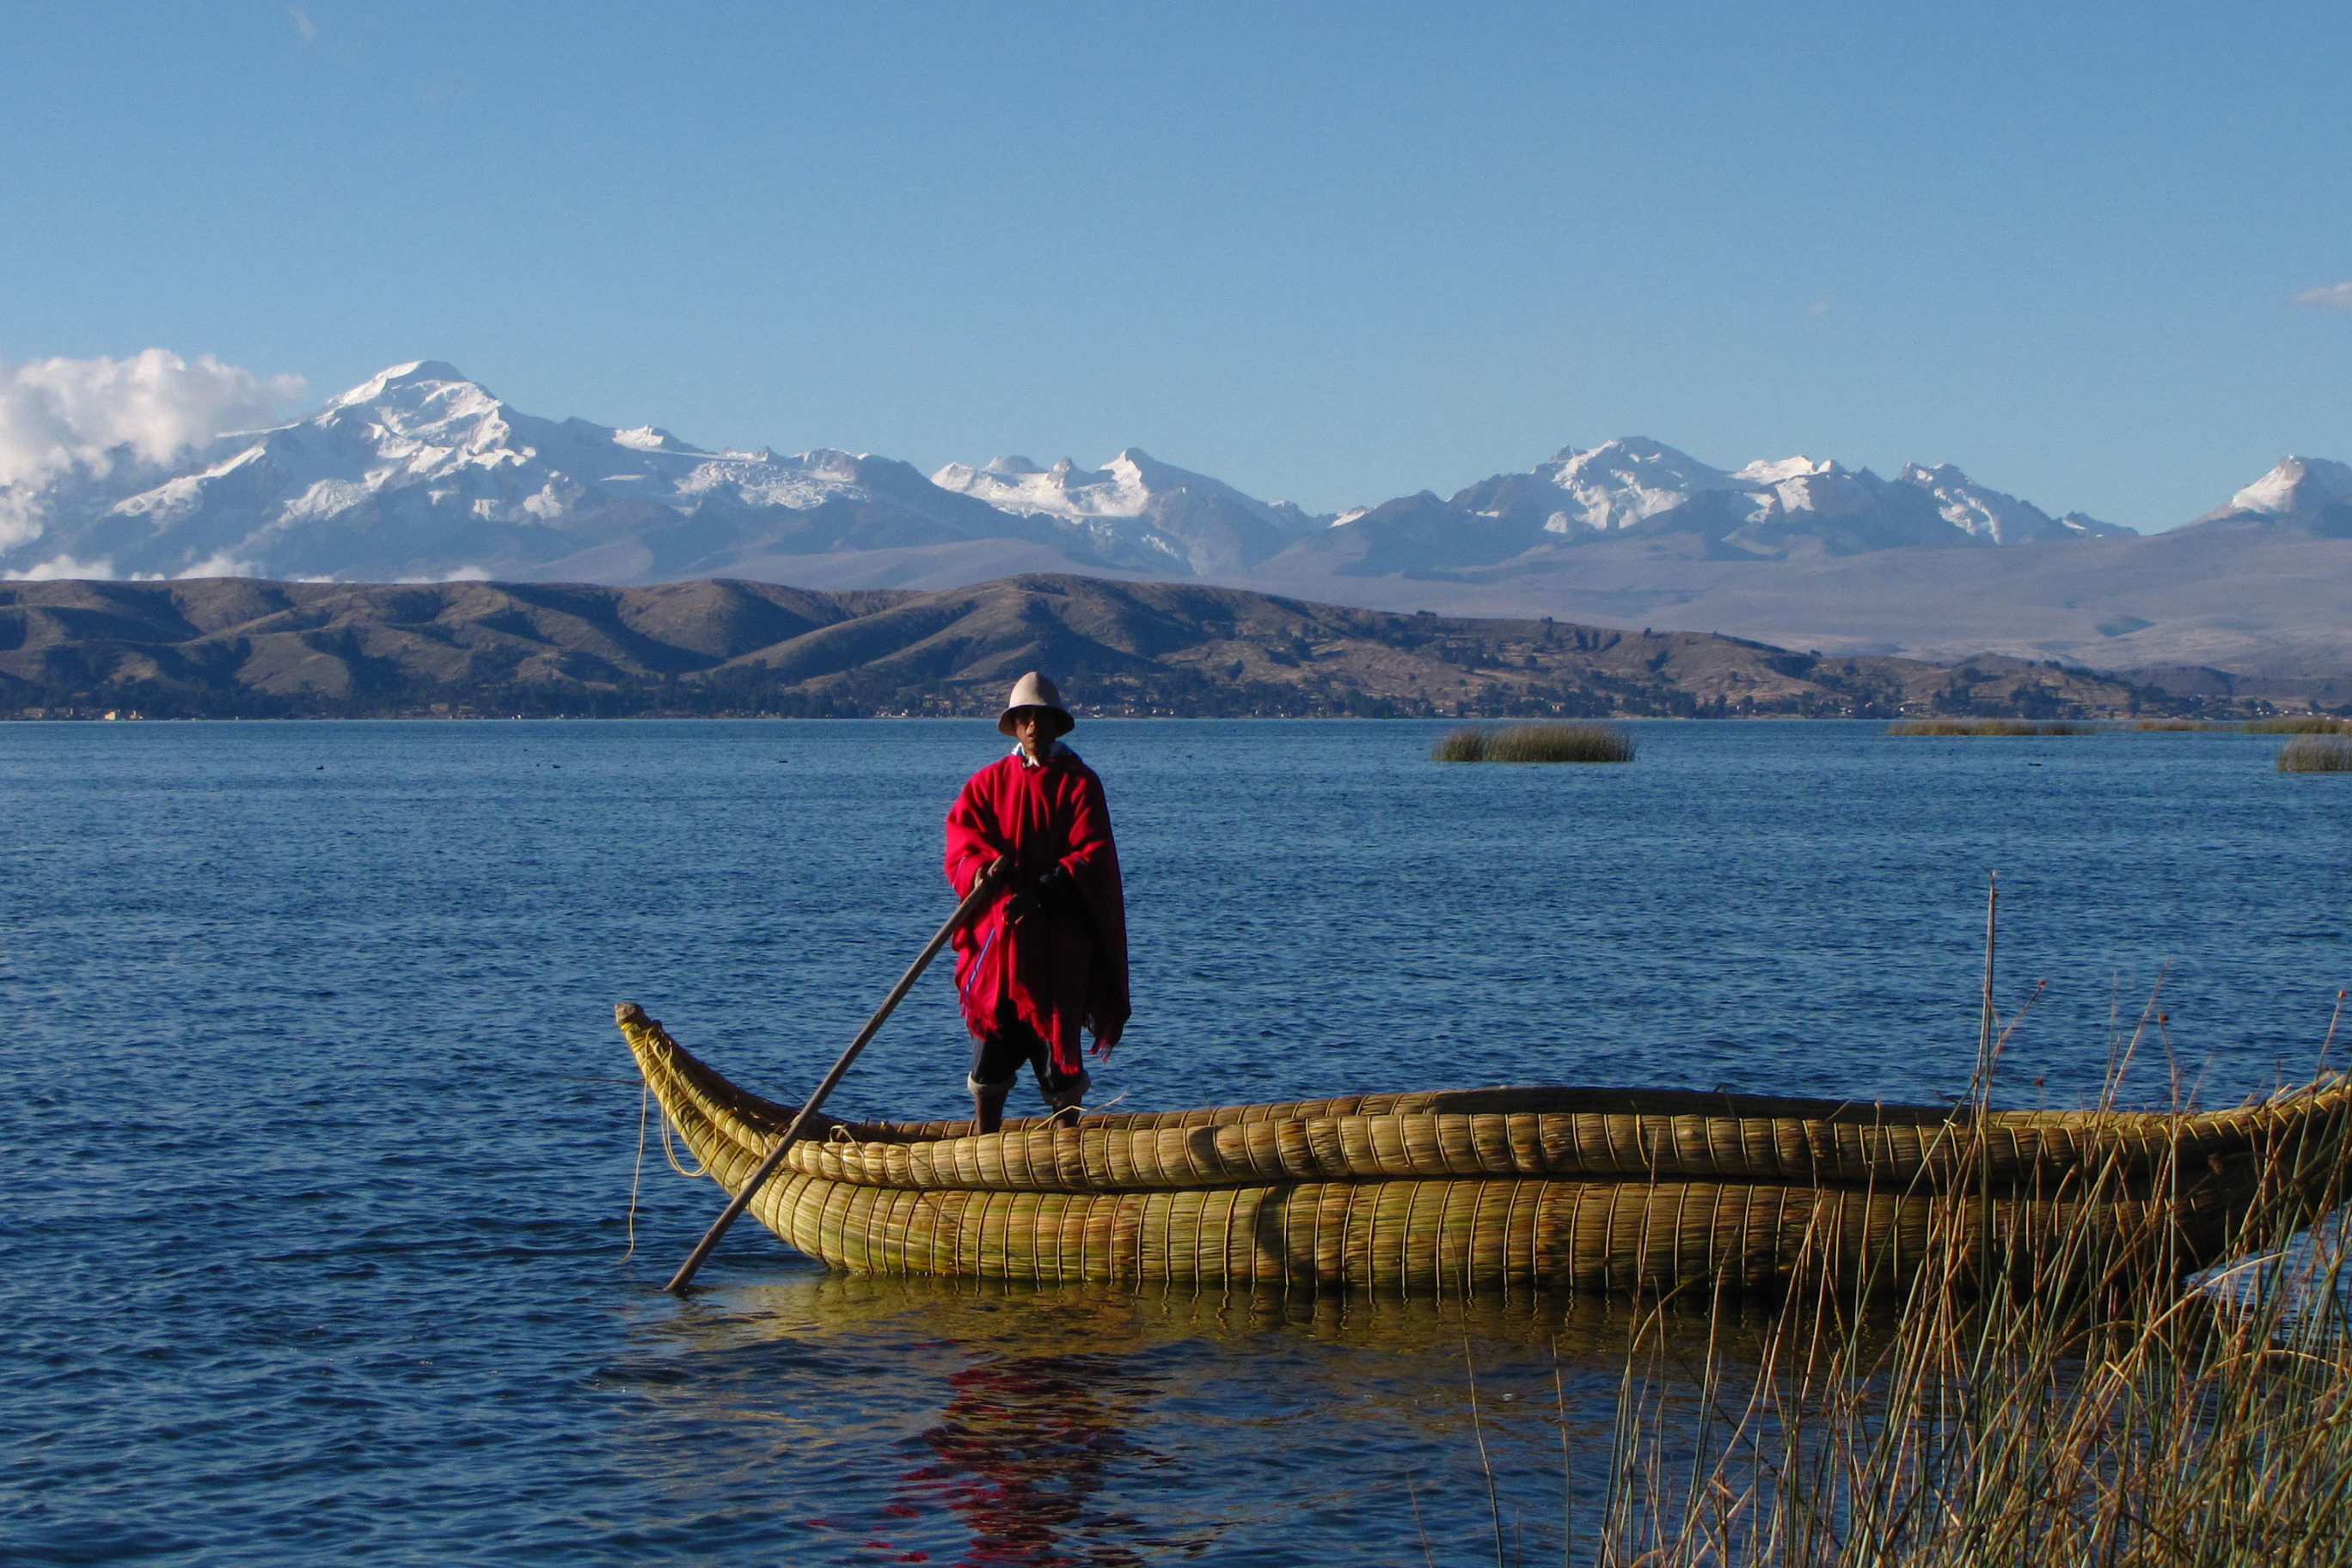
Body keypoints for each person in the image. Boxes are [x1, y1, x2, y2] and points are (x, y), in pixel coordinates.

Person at [945, 671, 1130, 1134]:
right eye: (1024, 718)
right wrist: (982, 870)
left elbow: (1092, 855)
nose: (1032, 726)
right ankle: (983, 1150)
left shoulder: (1080, 783)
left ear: (1055, 724)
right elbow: (961, 844)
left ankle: (1068, 1153)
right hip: (1000, 947)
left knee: (1058, 1061)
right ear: (1014, 725)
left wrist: (1044, 888)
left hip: (1056, 950)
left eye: (1040, 718)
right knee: (990, 1056)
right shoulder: (988, 783)